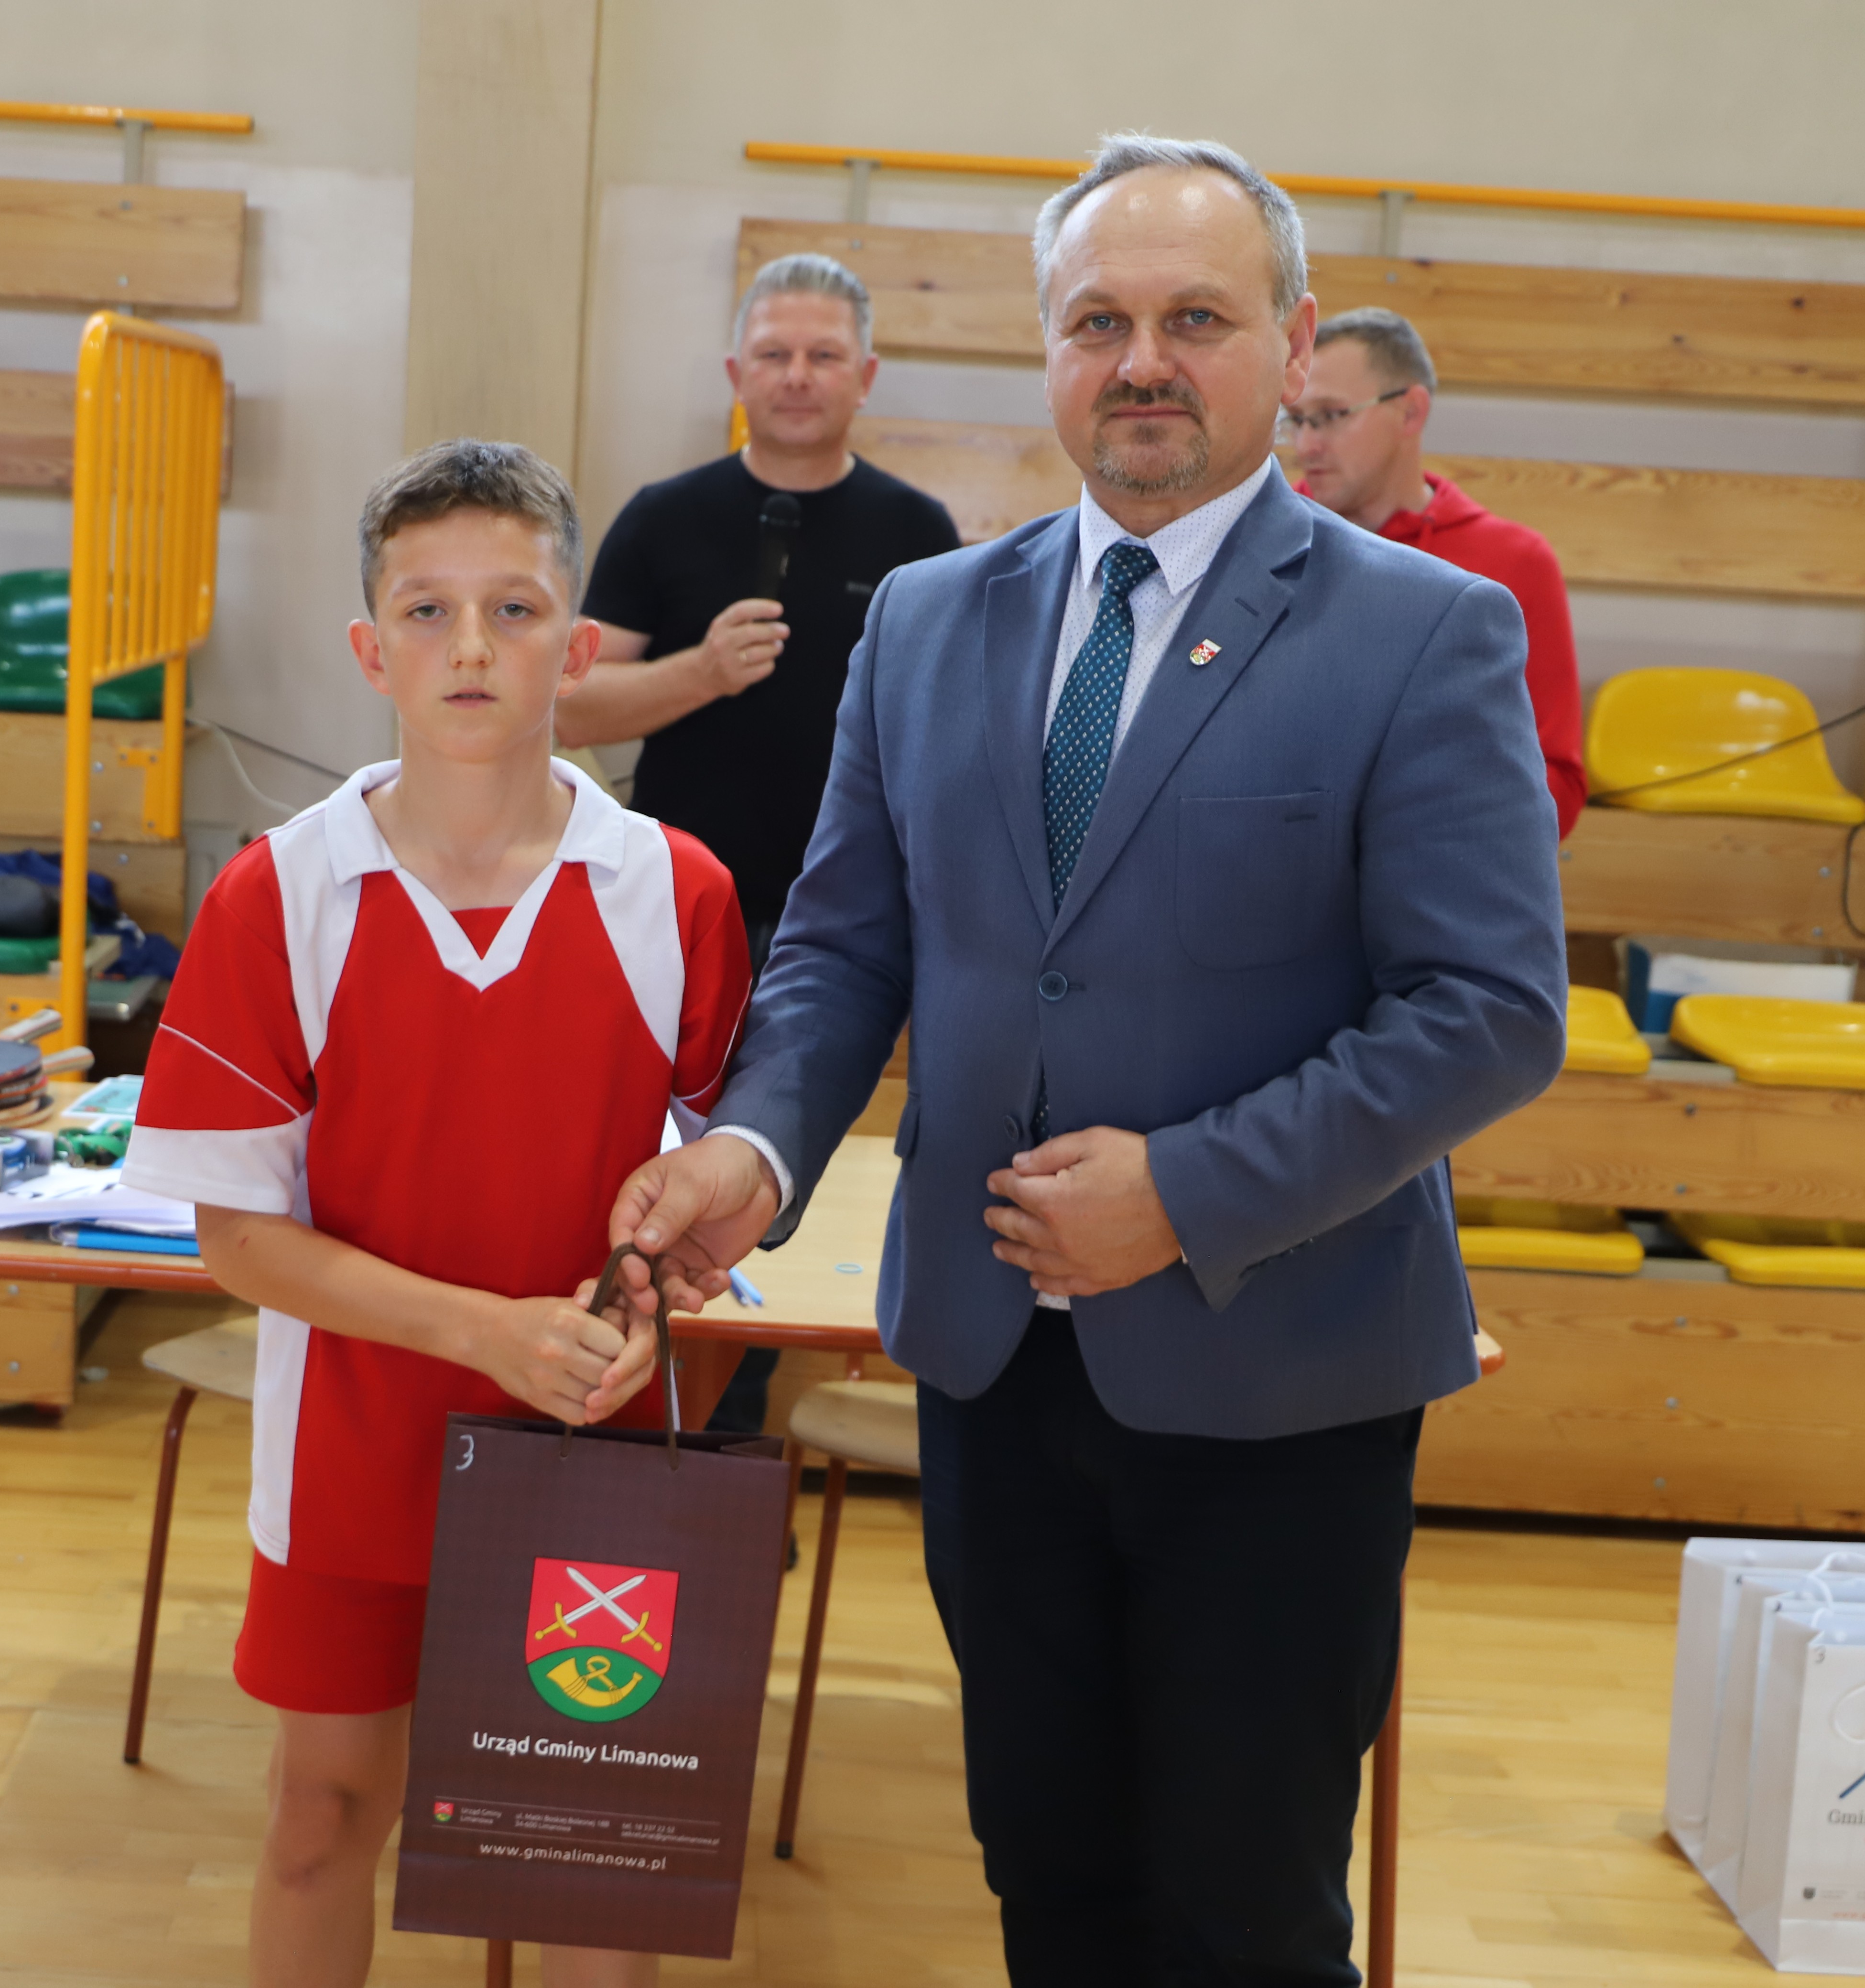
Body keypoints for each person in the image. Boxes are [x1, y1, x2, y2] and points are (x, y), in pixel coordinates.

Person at [604, 136, 1567, 1985]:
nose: (1143, 362)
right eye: (1098, 321)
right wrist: (754, 1149)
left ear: (1292, 348)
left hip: (1278, 1383)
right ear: (1046, 348)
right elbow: (844, 947)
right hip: (992, 1377)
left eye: (1195, 318)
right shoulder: (927, 618)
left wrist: (1186, 1193)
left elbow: (1490, 1010)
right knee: (1049, 1886)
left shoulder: (1427, 630)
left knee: (1242, 1918)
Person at [120, 441, 749, 1988]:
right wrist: (485, 1334)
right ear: (370, 651)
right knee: (323, 1821)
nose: (472, 646)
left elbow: (711, 1198)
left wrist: (665, 1287)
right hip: (349, 1454)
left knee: (583, 1862)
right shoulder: (277, 894)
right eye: (427, 611)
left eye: (515, 608)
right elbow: (235, 1238)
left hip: (592, 1457)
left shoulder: (678, 892)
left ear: (578, 649)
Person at [565, 252, 956, 1435]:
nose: (797, 376)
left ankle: (731, 1443)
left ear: (865, 376)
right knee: (649, 1161)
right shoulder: (664, 516)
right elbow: (569, 708)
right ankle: (617, 1409)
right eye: (775, 354)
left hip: (851, 924)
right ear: (736, 372)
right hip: (676, 907)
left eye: (823, 355)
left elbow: (947, 726)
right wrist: (699, 672)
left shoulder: (916, 530)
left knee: (779, 1164)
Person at [1287, 306, 1586, 835]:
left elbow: (1556, 782)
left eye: (1332, 415)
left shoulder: (1515, 561)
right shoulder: (1262, 543)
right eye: (1298, 419)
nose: (1306, 446)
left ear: (1411, 412)